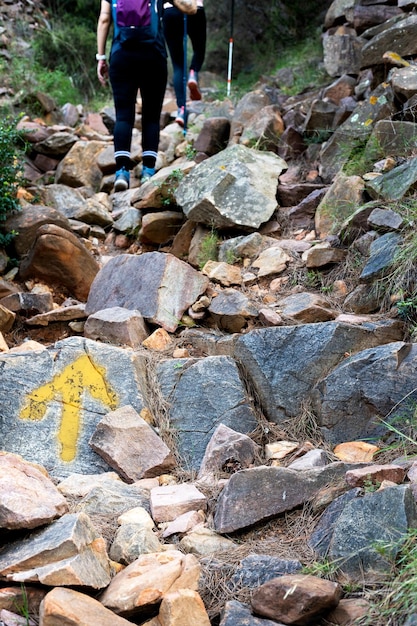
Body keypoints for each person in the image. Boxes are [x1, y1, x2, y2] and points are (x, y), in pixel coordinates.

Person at [96, 0, 168, 191]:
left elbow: (104, 19)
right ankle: (148, 171)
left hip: (122, 54)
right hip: (154, 54)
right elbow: (188, 8)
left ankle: (121, 171)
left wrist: (101, 58)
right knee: (151, 117)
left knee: (123, 117)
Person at [162, 0, 206, 127]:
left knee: (178, 65)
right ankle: (193, 73)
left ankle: (181, 109)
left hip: (170, 10)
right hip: (195, 8)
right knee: (199, 49)